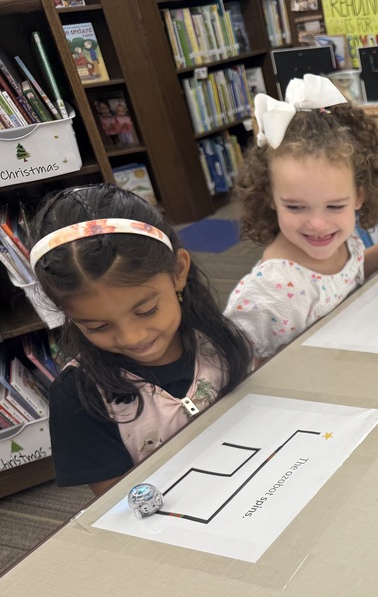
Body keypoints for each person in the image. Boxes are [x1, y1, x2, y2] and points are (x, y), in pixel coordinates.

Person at [29, 184, 252, 496]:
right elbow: (117, 503)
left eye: (147, 310)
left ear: (179, 271)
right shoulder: (80, 397)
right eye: (96, 326)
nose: (132, 337)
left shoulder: (216, 338)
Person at [227, 74, 378, 362]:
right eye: (295, 207)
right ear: (270, 197)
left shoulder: (344, 240)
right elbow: (232, 362)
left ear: (359, 197)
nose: (317, 224)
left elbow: (347, 276)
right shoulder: (270, 293)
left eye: (334, 207)